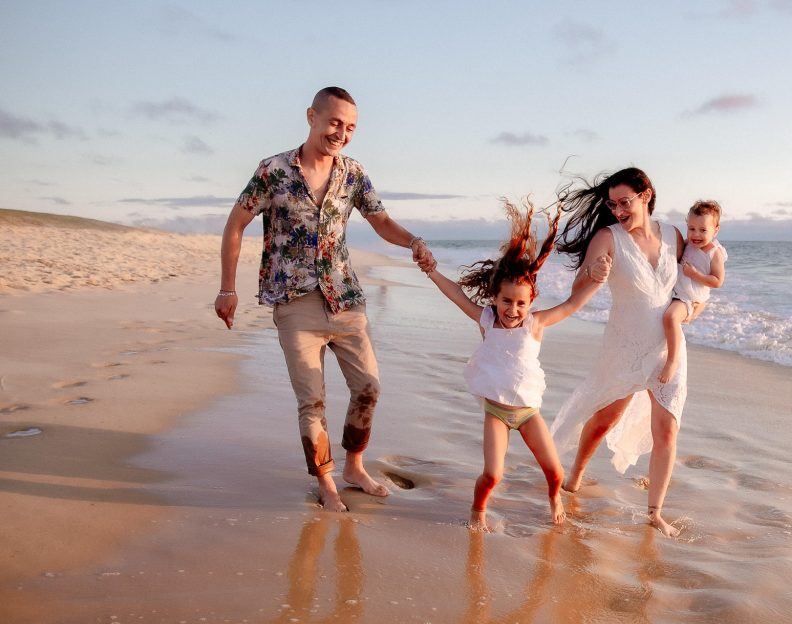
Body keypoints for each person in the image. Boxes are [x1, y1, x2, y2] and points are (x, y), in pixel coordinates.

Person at [214, 86, 436, 512]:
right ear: (311, 116)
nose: (342, 133)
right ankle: (326, 480)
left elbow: (381, 221)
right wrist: (228, 288)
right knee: (311, 400)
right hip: (295, 302)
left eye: (350, 127)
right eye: (335, 122)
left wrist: (414, 242)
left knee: (368, 387)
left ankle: (354, 466)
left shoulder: (353, 173)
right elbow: (235, 224)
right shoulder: (273, 170)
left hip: (345, 299)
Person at [425, 198, 610, 531]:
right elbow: (455, 294)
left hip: (528, 412)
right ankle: (478, 508)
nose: (513, 309)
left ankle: (554, 498)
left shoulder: (535, 324)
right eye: (506, 301)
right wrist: (431, 271)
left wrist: (596, 281)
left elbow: (571, 305)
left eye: (521, 303)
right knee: (492, 474)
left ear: (531, 302)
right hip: (496, 412)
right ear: (494, 297)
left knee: (555, 472)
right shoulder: (485, 320)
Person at [551, 167, 702, 537]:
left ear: (646, 195)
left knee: (667, 429)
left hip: (667, 347)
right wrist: (595, 272)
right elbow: (578, 288)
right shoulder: (608, 237)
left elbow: (691, 288)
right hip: (624, 343)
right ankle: (575, 477)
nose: (618, 210)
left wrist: (691, 310)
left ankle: (655, 513)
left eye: (625, 202)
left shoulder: (674, 236)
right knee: (605, 418)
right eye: (613, 204)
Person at [658, 200, 727, 383]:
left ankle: (672, 361)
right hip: (676, 291)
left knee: (670, 318)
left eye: (703, 230)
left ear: (716, 230)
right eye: (691, 229)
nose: (696, 235)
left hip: (688, 297)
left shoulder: (714, 253)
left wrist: (694, 274)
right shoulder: (689, 243)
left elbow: (717, 281)